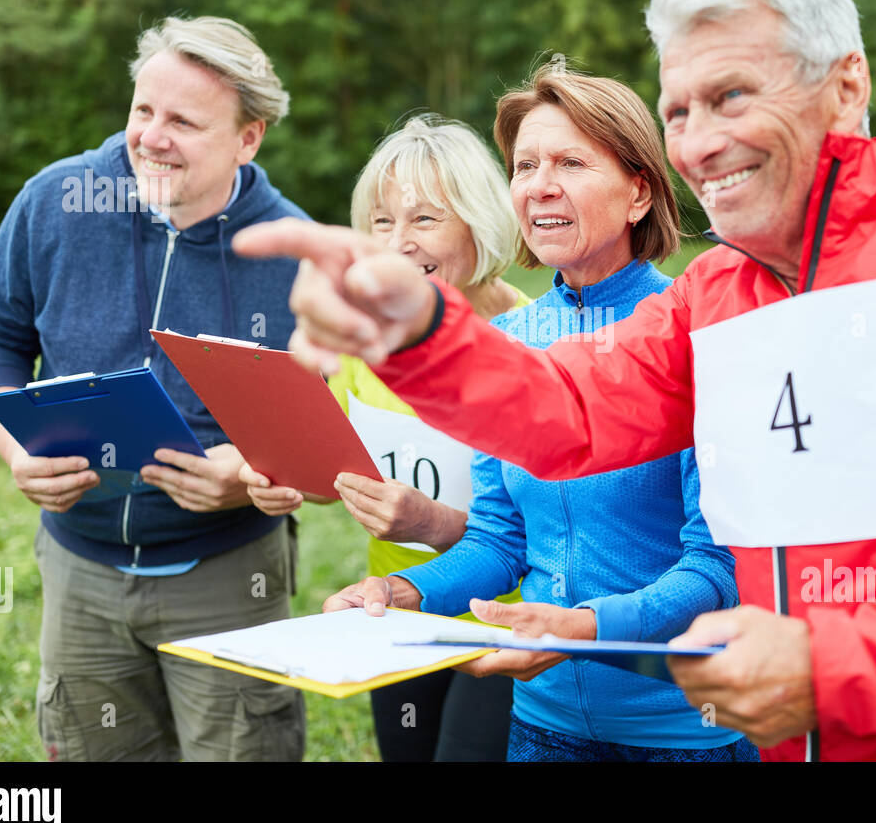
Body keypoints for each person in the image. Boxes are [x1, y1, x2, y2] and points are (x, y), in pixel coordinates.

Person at [234, 0, 876, 762]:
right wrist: (419, 328)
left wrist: (834, 667)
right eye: (682, 108)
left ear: (848, 83)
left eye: (731, 95)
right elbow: (569, 411)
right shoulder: (722, 294)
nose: (698, 141)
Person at [322, 69, 754, 762]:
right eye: (525, 166)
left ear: (640, 191)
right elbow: (500, 541)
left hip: (683, 733)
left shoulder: (697, 334)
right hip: (542, 729)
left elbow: (717, 568)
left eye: (570, 163)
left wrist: (581, 627)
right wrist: (402, 589)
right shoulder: (512, 345)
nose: (539, 185)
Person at [0, 16, 312, 761]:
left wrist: (248, 477)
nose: (150, 136)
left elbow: (314, 437)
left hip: (227, 575)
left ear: (249, 139)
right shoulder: (55, 202)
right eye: (142, 110)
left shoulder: (294, 254)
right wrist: (14, 447)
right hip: (79, 568)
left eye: (183, 120)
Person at [238, 113, 528, 762]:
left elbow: (565, 527)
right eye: (381, 222)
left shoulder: (533, 339)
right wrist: (280, 478)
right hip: (390, 610)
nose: (398, 242)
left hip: (506, 621)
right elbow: (323, 472)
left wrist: (435, 522)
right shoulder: (358, 338)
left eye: (424, 219)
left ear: (478, 220)